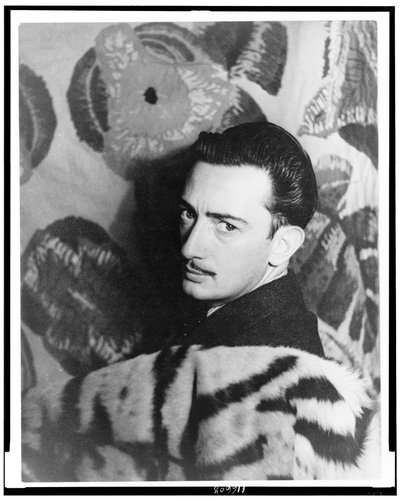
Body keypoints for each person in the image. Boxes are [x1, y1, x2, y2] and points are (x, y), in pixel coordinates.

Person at [172, 121, 324, 357]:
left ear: (283, 245)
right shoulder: (224, 320)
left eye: (227, 226)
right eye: (189, 214)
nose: (189, 249)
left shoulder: (270, 360)